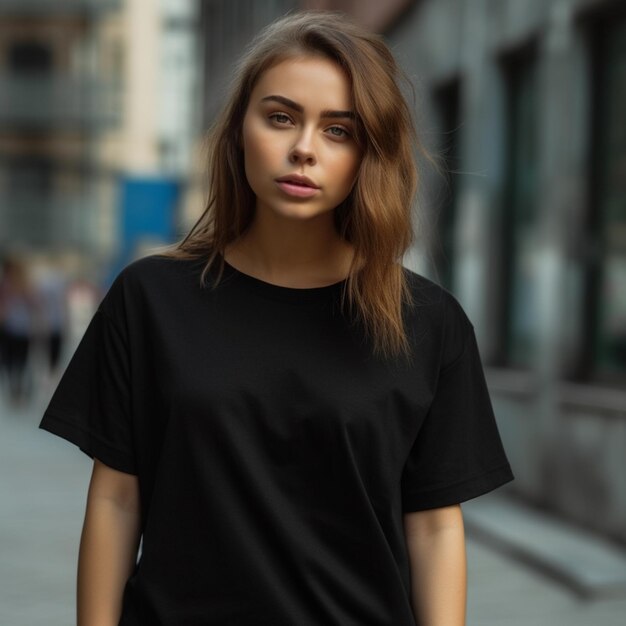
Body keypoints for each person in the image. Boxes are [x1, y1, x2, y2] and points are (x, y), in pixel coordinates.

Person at [39, 11, 514, 626]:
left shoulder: (428, 323)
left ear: (369, 153)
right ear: (239, 130)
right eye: (281, 117)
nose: (304, 149)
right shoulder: (150, 298)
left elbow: (432, 528)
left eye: (339, 130)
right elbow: (114, 497)